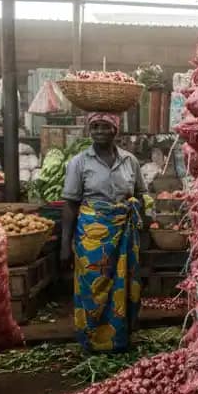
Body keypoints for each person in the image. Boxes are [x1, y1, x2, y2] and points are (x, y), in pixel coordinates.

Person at [59, 112, 145, 354]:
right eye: (94, 127)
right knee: (93, 287)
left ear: (115, 130)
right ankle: (92, 341)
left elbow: (139, 193)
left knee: (124, 283)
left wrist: (140, 214)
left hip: (124, 233)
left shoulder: (130, 161)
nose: (99, 131)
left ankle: (120, 340)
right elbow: (70, 204)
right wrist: (65, 244)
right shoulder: (79, 162)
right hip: (92, 235)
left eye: (105, 127)